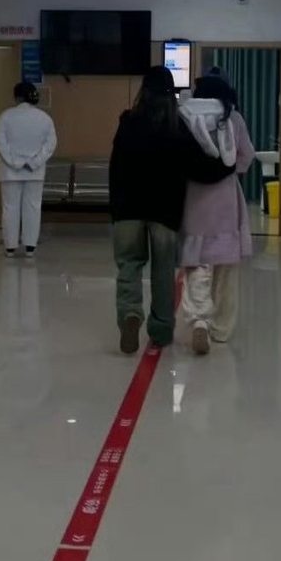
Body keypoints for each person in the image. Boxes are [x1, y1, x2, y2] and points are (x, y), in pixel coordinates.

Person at [109, 66, 235, 355]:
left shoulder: (128, 122)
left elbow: (115, 168)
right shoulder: (176, 126)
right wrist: (227, 166)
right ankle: (161, 329)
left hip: (127, 210)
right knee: (163, 272)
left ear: (144, 90)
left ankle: (130, 314)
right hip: (165, 213)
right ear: (171, 93)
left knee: (128, 266)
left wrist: (115, 209)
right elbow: (199, 167)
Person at [178, 75, 255, 355]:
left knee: (196, 264)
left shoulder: (184, 116)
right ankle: (221, 329)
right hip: (225, 201)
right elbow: (246, 155)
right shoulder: (232, 118)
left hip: (193, 200)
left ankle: (199, 319)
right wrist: (230, 171)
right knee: (225, 269)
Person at [0, 81, 57, 258]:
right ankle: (30, 246)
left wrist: (14, 162)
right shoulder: (45, 118)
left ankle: (10, 247)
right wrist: (35, 162)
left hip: (9, 171)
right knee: (33, 207)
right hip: (35, 172)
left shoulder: (6, 116)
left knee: (10, 208)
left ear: (17, 97)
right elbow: (50, 145)